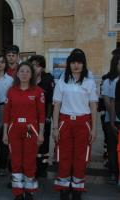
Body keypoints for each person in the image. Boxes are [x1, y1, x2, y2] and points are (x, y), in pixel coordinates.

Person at [52, 52, 98, 200]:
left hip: (83, 122)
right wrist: (55, 127)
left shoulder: (89, 83)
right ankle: (63, 187)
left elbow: (93, 107)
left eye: (79, 62)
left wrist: (94, 128)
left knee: (80, 156)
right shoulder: (62, 81)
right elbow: (56, 106)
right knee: (64, 154)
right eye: (72, 62)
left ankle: (77, 187)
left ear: (83, 64)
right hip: (65, 122)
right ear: (69, 64)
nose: (76, 65)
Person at [2, 61, 45, 200]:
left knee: (29, 159)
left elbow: (42, 115)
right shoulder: (11, 90)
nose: (24, 74)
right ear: (17, 74)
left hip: (29, 129)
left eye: (27, 71)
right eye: (22, 71)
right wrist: (5, 133)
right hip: (14, 129)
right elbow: (6, 114)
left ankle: (29, 191)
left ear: (31, 74)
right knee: (16, 160)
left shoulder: (37, 91)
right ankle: (18, 192)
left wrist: (41, 134)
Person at [28, 55, 55, 177]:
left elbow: (50, 101)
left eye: (37, 65)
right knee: (30, 141)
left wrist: (48, 117)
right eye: (32, 65)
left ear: (42, 68)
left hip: (44, 119)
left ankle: (42, 168)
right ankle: (30, 166)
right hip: (30, 120)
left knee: (43, 144)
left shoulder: (48, 80)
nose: (35, 68)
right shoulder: (27, 79)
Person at [101, 54, 120, 184]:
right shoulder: (109, 81)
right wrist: (114, 116)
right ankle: (114, 172)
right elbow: (108, 101)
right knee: (113, 147)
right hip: (112, 119)